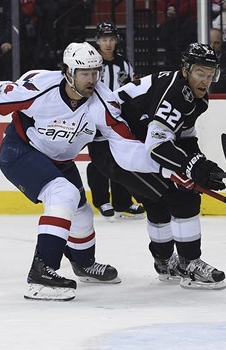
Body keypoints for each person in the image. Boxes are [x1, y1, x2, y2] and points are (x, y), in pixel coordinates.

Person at [0, 41, 162, 301]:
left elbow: (126, 144)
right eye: (84, 73)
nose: (92, 79)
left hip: (61, 160)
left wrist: (164, 167)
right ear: (68, 72)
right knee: (63, 193)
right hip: (21, 152)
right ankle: (42, 272)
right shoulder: (41, 88)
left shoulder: (104, 101)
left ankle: (83, 263)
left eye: (95, 72)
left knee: (81, 212)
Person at [92, 43, 226, 290]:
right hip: (115, 147)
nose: (206, 80)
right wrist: (192, 167)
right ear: (186, 69)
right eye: (200, 72)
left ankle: (165, 262)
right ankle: (189, 264)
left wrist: (198, 162)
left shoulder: (193, 95)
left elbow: (184, 135)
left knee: (157, 198)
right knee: (181, 193)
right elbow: (157, 145)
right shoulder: (176, 92)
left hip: (124, 142)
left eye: (211, 75)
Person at [87, 21, 145, 220]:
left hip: (118, 119)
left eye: (111, 39)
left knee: (121, 160)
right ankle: (102, 201)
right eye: (104, 39)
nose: (108, 43)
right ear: (97, 41)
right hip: (95, 118)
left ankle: (123, 202)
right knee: (98, 161)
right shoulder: (91, 63)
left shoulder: (124, 64)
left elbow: (131, 91)